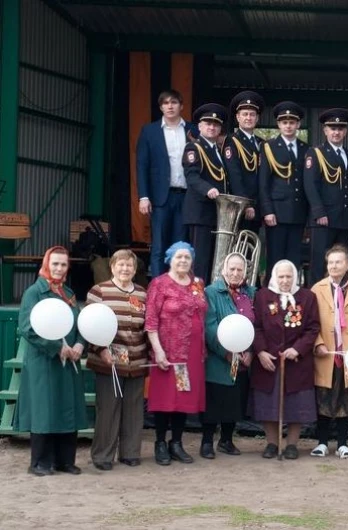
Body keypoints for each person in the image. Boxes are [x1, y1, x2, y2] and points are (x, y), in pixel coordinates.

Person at [15, 247, 87, 476]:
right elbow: (27, 328)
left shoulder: (68, 292)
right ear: (47, 263)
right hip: (44, 361)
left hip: (69, 361)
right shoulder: (34, 293)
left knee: (67, 408)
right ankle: (40, 462)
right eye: (55, 264)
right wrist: (57, 347)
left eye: (63, 265)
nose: (59, 268)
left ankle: (65, 460)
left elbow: (79, 322)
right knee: (45, 410)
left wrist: (79, 345)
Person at [144, 241, 208, 466]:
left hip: (191, 354)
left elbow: (202, 313)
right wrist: (158, 351)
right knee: (165, 399)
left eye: (187, 257)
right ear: (170, 259)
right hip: (168, 353)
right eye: (179, 257)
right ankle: (160, 443)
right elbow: (151, 321)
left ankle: (177, 443)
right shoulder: (159, 284)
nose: (183, 261)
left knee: (183, 397)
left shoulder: (198, 284)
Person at [86, 249, 148, 471]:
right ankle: (103, 455)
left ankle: (130, 453)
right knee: (109, 409)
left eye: (129, 265)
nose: (125, 269)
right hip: (108, 361)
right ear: (112, 267)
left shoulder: (142, 293)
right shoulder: (99, 291)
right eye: (120, 265)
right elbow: (89, 325)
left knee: (133, 409)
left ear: (134, 269)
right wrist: (100, 349)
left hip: (137, 360)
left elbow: (146, 326)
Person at [252, 259, 320, 459]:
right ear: (274, 276)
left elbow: (313, 327)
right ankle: (272, 444)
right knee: (268, 403)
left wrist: (297, 349)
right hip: (268, 360)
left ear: (295, 277)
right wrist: (261, 351)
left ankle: (291, 445)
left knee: (296, 404)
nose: (285, 280)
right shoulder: (262, 296)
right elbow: (256, 327)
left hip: (297, 361)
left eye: (288, 276)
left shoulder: (307, 297)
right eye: (281, 276)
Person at [310, 245, 348, 459]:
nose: (334, 266)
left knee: (347, 397)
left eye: (338, 262)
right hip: (326, 352)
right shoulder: (317, 289)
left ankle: (343, 443)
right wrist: (318, 343)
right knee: (323, 396)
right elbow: (311, 322)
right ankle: (322, 442)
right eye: (330, 262)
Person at [136, 89, 197, 278]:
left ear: (181, 106)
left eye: (174, 102)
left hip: (187, 195)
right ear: (161, 107)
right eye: (165, 103)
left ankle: (179, 287)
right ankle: (157, 288)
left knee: (181, 246)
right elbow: (142, 165)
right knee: (159, 246)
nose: (170, 106)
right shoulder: (150, 131)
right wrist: (144, 196)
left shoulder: (192, 130)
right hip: (160, 197)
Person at [201, 252, 256, 459]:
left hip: (243, 359)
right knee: (214, 400)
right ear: (223, 270)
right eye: (231, 269)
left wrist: (249, 351)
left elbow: (255, 325)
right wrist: (226, 352)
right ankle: (207, 442)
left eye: (239, 270)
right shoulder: (211, 292)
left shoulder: (251, 293)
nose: (235, 273)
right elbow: (210, 326)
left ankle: (226, 440)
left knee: (235, 399)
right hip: (219, 358)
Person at [304, 108, 348, 285]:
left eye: (340, 128)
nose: (336, 132)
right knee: (320, 263)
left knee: (341, 263)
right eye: (332, 128)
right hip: (324, 219)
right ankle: (316, 301)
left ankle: (339, 299)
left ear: (345, 131)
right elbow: (310, 185)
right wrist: (319, 212)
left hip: (344, 219)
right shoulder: (316, 153)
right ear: (325, 130)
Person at [259, 102, 309, 273]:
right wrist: (267, 210)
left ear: (298, 124)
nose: (288, 126)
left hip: (298, 212)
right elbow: (263, 182)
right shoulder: (269, 147)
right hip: (277, 212)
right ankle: (273, 296)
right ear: (279, 124)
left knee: (294, 258)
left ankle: (293, 298)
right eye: (284, 122)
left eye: (292, 122)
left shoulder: (306, 148)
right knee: (275, 258)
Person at [183, 103, 229, 281]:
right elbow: (192, 177)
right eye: (208, 123)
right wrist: (208, 189)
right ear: (200, 126)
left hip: (215, 213)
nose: (212, 127)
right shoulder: (194, 148)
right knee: (200, 262)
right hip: (200, 212)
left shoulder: (218, 150)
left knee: (213, 261)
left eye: (216, 124)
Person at [223, 90, 265, 235]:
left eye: (252, 115)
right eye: (245, 114)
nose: (248, 118)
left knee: (252, 248)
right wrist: (245, 205)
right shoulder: (232, 141)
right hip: (240, 206)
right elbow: (235, 175)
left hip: (257, 206)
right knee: (237, 251)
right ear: (238, 117)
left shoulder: (261, 143)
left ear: (257, 118)